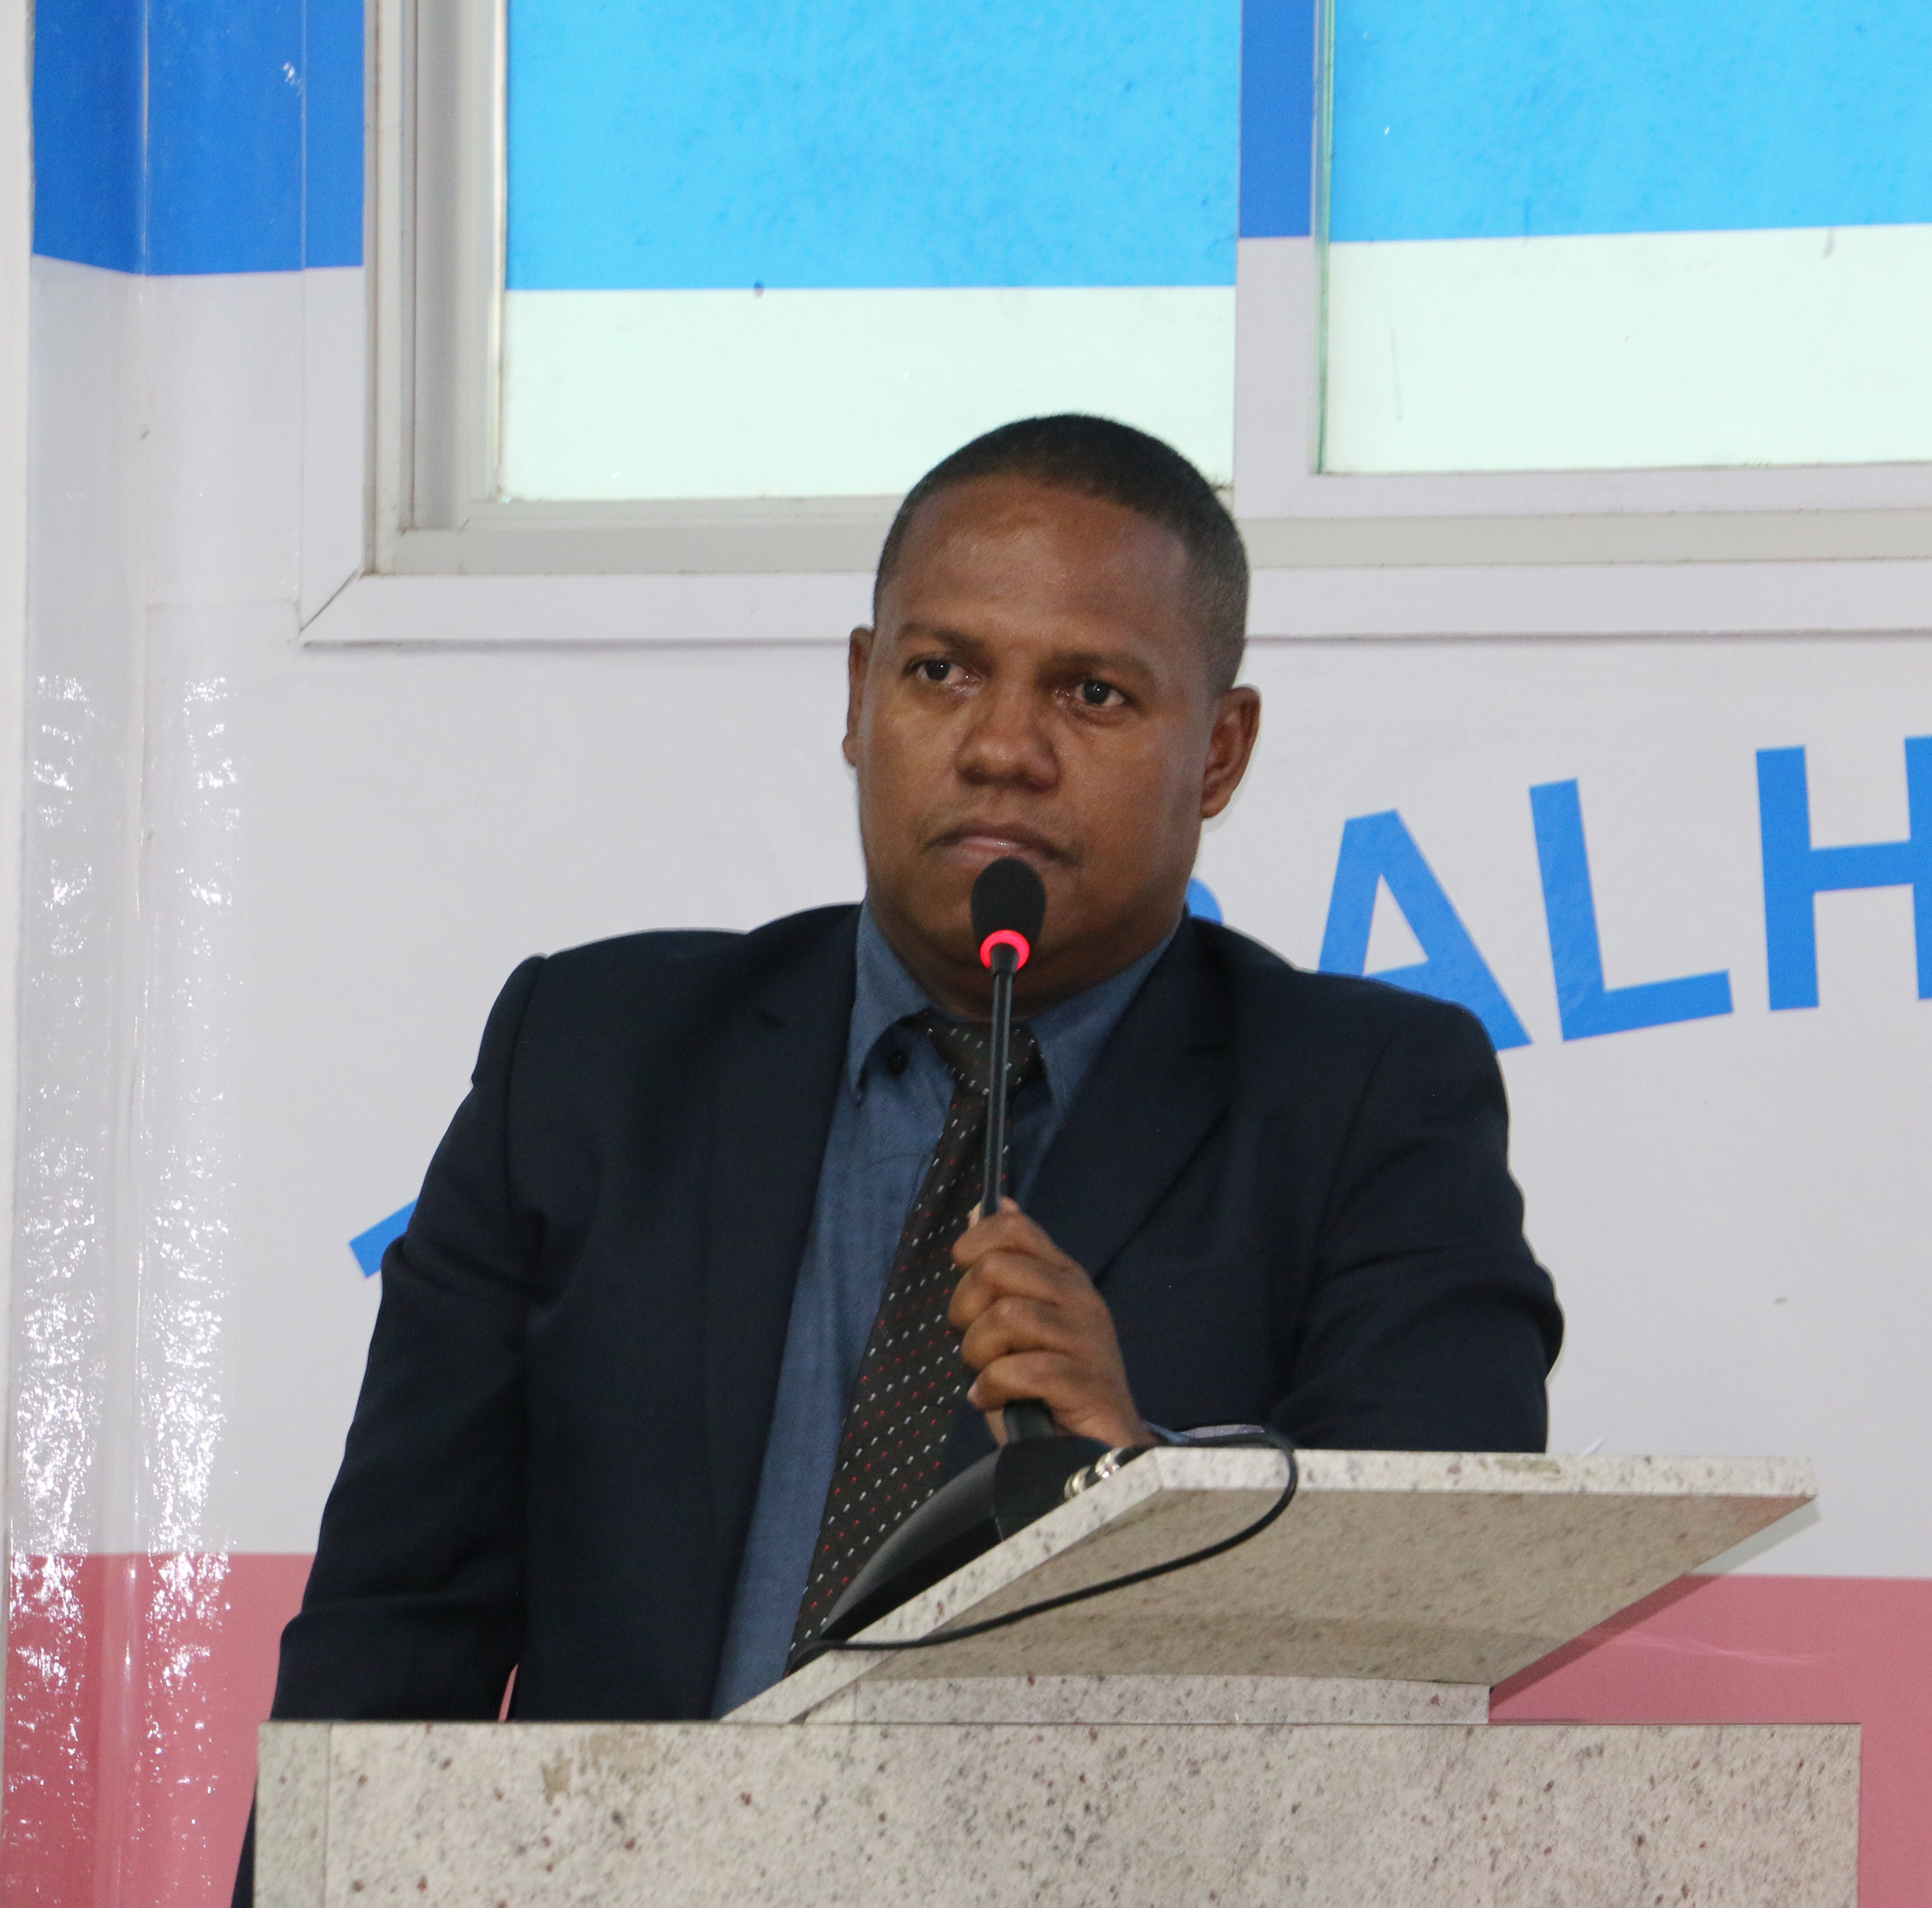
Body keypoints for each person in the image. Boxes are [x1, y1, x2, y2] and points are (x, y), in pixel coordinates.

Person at [260, 412, 1561, 1756]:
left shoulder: (1371, 1104)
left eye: (1092, 694)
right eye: (944, 671)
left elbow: (1433, 1609)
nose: (1004, 748)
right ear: (859, 695)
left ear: (1220, 752)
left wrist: (1151, 1484)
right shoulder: (593, 1058)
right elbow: (392, 1627)